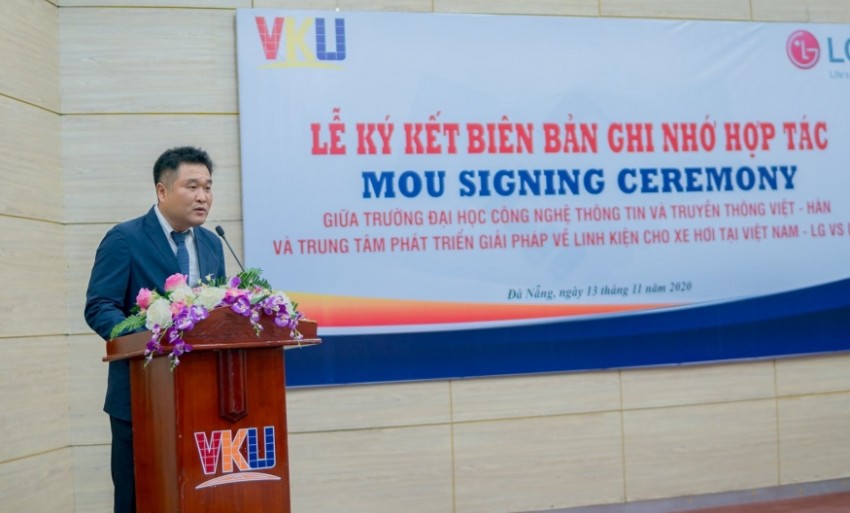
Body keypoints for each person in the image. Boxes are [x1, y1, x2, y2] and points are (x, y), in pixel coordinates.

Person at [84, 146, 227, 513]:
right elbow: (100, 307)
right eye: (192, 186)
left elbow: (219, 313)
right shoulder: (124, 239)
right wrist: (148, 338)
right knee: (140, 499)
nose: (203, 196)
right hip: (141, 395)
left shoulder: (212, 243)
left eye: (208, 187)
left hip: (202, 398)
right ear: (162, 191)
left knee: (197, 496)